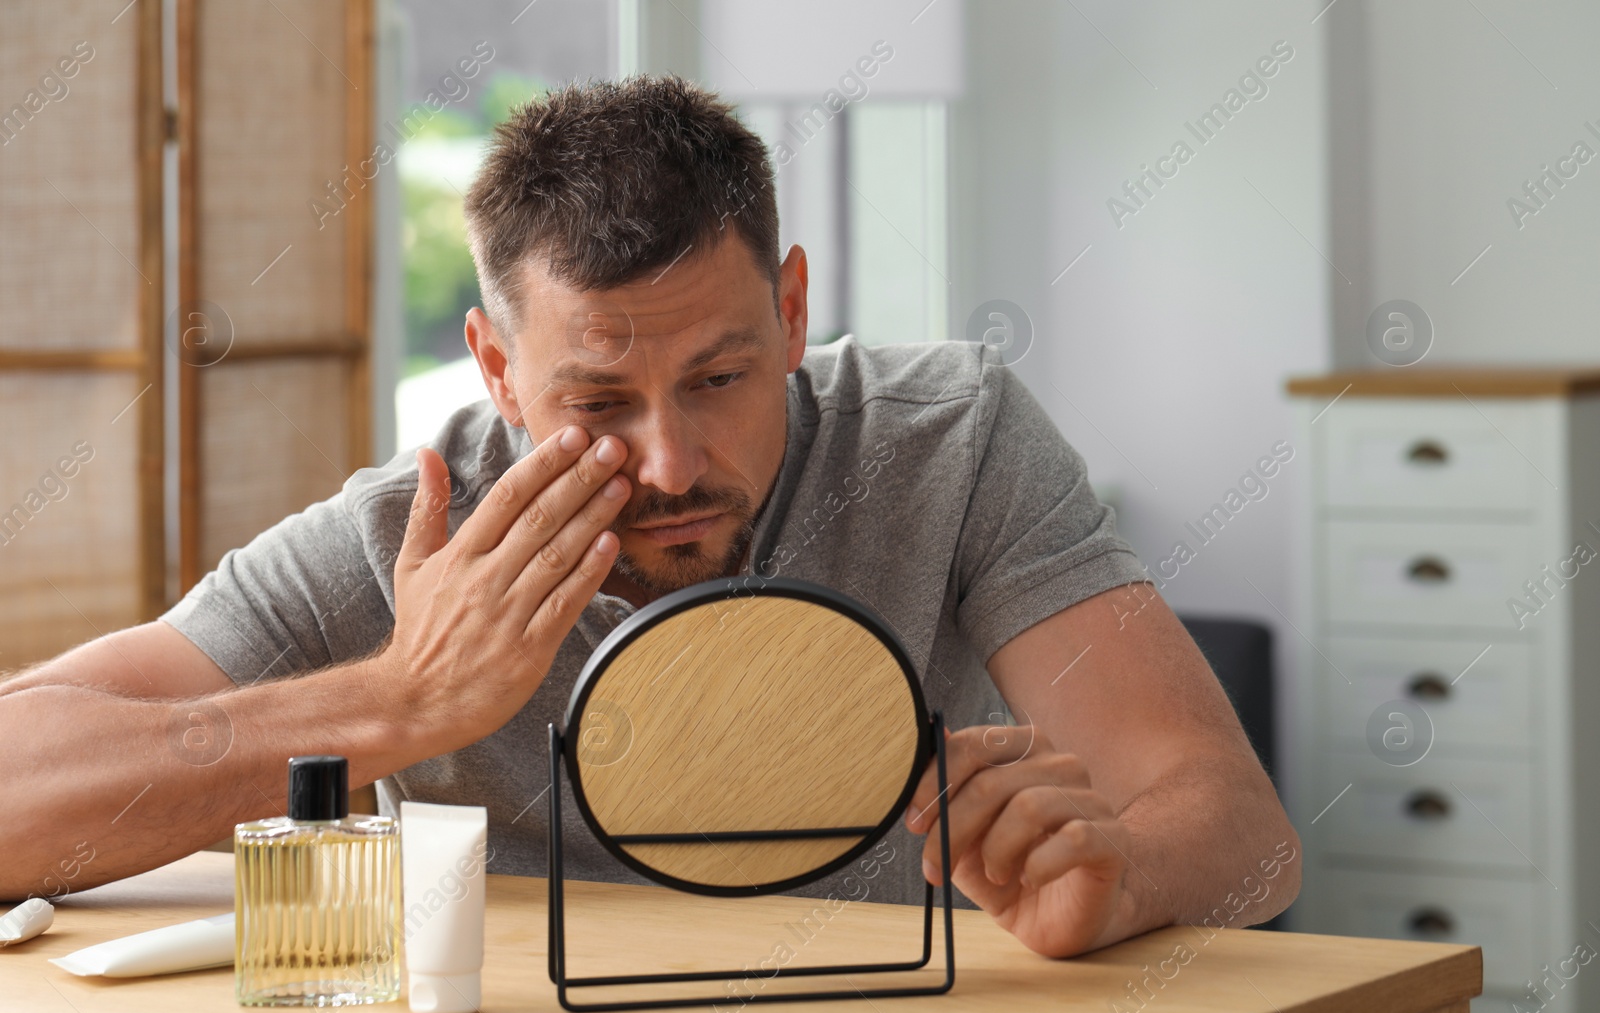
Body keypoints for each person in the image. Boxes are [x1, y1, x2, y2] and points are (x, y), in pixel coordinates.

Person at [0, 75, 1296, 958]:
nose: (670, 464)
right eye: (598, 400)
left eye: (721, 379)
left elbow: (1243, 837)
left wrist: (1117, 879)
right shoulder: (419, 534)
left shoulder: (949, 442)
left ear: (793, 310)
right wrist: (398, 698)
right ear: (497, 371)